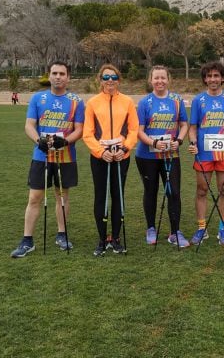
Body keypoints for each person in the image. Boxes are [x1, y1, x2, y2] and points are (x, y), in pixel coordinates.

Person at [10, 61, 85, 258]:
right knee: (34, 198)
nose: (58, 77)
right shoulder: (38, 98)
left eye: (62, 73)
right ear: (49, 75)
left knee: (62, 197)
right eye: (54, 73)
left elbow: (79, 129)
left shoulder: (77, 101)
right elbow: (29, 125)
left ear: (68, 77)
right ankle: (27, 240)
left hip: (65, 156)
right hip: (41, 156)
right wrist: (38, 140)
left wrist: (65, 141)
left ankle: (62, 235)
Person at [83, 64, 139, 256]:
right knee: (101, 197)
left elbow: (133, 130)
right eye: (106, 78)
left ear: (119, 80)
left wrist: (125, 148)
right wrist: (101, 152)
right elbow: (87, 134)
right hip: (100, 157)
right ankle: (101, 238)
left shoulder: (128, 102)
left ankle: (115, 238)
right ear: (100, 80)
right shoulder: (92, 103)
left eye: (114, 77)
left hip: (121, 156)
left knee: (118, 196)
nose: (110, 81)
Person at [188, 61, 224, 245]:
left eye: (216, 75)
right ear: (205, 79)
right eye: (209, 76)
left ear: (223, 78)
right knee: (202, 190)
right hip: (204, 153)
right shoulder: (198, 100)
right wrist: (193, 142)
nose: (213, 79)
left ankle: (223, 229)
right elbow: (193, 128)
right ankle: (201, 228)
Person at [135, 66, 190, 248]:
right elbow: (139, 131)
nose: (160, 81)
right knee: (150, 191)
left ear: (168, 79)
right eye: (156, 78)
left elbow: (184, 124)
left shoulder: (176, 100)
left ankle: (175, 232)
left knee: (173, 192)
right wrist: (153, 143)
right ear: (150, 80)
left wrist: (179, 140)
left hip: (171, 155)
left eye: (163, 78)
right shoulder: (144, 103)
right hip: (147, 156)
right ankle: (151, 228)